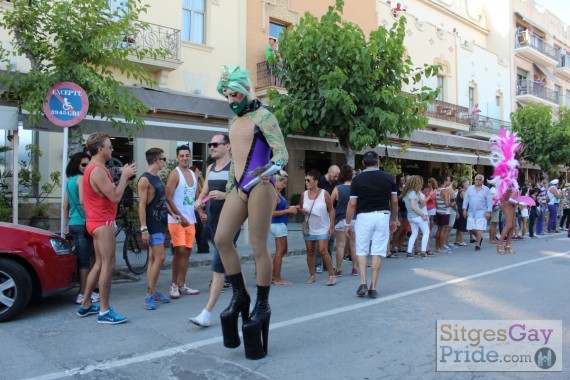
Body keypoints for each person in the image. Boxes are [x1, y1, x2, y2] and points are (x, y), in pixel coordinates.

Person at [214, 66, 288, 360]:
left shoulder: (265, 116)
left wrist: (269, 171)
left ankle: (262, 304)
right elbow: (236, 157)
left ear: (246, 91)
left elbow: (282, 154)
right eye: (227, 95)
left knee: (258, 245)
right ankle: (240, 294)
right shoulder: (234, 119)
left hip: (262, 184)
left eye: (235, 93)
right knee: (221, 239)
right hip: (239, 186)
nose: (231, 99)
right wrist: (233, 183)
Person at [76, 133, 136, 324]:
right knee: (108, 264)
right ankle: (104, 310)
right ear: (100, 149)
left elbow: (86, 199)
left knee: (99, 264)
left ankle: (85, 304)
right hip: (103, 222)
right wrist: (125, 177)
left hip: (95, 221)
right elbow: (116, 197)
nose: (112, 149)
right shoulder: (98, 170)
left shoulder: (93, 168)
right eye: (109, 147)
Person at [190, 134, 232, 328]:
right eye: (210, 145)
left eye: (216, 144)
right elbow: (205, 193)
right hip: (212, 223)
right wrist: (199, 202)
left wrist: (225, 195)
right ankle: (242, 299)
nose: (212, 147)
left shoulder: (235, 168)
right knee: (228, 265)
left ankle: (206, 313)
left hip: (230, 222)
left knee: (218, 267)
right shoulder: (210, 168)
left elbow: (244, 193)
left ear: (227, 147)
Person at [345, 151, 398, 299]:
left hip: (364, 216)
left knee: (361, 250)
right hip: (382, 215)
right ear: (378, 162)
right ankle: (373, 287)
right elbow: (394, 202)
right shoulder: (388, 178)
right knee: (377, 251)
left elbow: (352, 203)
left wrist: (347, 223)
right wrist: (394, 219)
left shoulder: (357, 179)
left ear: (363, 163)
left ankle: (363, 282)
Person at [63, 152, 99, 305]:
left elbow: (65, 205)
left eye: (88, 164)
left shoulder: (69, 181)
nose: (86, 167)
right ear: (76, 165)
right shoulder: (80, 179)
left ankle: (90, 290)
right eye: (84, 164)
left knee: (87, 257)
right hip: (85, 223)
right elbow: (84, 202)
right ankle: (84, 293)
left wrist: (68, 223)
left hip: (74, 223)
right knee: (86, 260)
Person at [137, 148, 170, 310]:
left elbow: (162, 200)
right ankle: (149, 295)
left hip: (161, 223)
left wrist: (174, 215)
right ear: (157, 160)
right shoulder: (144, 180)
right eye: (163, 159)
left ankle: (154, 291)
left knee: (153, 259)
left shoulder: (156, 178)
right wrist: (144, 229)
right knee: (160, 258)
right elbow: (141, 205)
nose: (165, 161)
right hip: (153, 224)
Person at [165, 144, 200, 299]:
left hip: (190, 219)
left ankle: (182, 285)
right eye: (182, 156)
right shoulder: (175, 174)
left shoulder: (193, 174)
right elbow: (167, 197)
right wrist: (179, 216)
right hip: (176, 220)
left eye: (187, 155)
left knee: (187, 252)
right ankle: (173, 284)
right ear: (177, 158)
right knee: (179, 251)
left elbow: (195, 198)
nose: (185, 158)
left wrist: (201, 211)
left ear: (190, 157)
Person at [300, 170, 336, 286]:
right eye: (305, 180)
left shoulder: (324, 194)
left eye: (308, 180)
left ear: (315, 182)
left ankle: (331, 276)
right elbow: (301, 209)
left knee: (322, 250)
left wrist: (331, 226)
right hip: (309, 227)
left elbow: (331, 210)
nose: (306, 182)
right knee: (310, 251)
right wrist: (301, 210)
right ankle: (312, 275)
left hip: (323, 227)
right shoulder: (303, 194)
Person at [269, 170, 297, 285]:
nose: (285, 185)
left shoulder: (276, 193)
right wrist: (287, 210)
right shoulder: (274, 194)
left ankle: (273, 275)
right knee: (280, 251)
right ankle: (277, 278)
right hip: (277, 224)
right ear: (277, 181)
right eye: (283, 183)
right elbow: (272, 212)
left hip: (280, 224)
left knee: (282, 250)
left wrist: (290, 208)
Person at [330, 164, 358, 276]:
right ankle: (355, 268)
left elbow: (330, 203)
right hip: (355, 219)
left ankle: (339, 269)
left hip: (341, 218)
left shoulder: (337, 188)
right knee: (353, 244)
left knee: (340, 245)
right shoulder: (356, 189)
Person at [315, 165, 339, 273]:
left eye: (337, 176)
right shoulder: (319, 182)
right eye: (334, 176)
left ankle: (327, 263)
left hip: (330, 214)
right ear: (329, 173)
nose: (336, 178)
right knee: (319, 241)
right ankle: (318, 264)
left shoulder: (335, 184)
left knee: (330, 240)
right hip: (319, 215)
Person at [462, 174, 493, 251]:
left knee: (479, 228)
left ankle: (478, 245)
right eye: (477, 179)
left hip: (481, 212)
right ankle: (479, 237)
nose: (478, 181)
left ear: (482, 181)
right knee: (470, 228)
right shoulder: (469, 188)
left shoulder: (486, 189)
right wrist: (464, 209)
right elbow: (466, 200)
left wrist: (488, 211)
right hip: (471, 212)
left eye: (480, 179)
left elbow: (489, 201)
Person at [402, 175, 430, 258]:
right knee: (426, 232)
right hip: (417, 216)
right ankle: (423, 251)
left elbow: (416, 205)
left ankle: (409, 252)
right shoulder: (413, 193)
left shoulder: (408, 192)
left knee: (414, 233)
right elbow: (413, 206)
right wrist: (422, 215)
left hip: (410, 216)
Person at [190, 164, 210, 254]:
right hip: (193, 208)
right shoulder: (192, 181)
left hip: (197, 207)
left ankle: (203, 247)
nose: (199, 173)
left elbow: (204, 191)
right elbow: (201, 193)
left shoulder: (196, 181)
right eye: (197, 171)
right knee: (198, 227)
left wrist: (201, 178)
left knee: (200, 228)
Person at [435, 176, 452, 253]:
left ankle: (437, 246)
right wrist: (452, 203)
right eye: (449, 181)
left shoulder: (437, 190)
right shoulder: (445, 191)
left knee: (439, 229)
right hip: (445, 212)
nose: (450, 182)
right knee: (443, 230)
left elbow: (436, 202)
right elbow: (447, 204)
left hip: (438, 211)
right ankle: (441, 247)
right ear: (445, 181)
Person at [453, 179, 469, 247]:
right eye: (468, 184)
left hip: (459, 209)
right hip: (462, 210)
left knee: (459, 226)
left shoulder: (460, 191)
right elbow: (466, 201)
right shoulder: (463, 192)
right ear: (464, 185)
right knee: (462, 226)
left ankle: (457, 240)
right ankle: (461, 241)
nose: (468, 185)